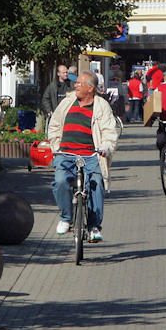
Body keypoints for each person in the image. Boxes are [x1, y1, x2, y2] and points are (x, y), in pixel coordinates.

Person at [47, 72, 119, 242]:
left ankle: (94, 226)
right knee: (60, 181)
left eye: (80, 83)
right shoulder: (67, 102)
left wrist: (106, 148)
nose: (76, 86)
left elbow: (109, 130)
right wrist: (55, 146)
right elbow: (55, 125)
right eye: (76, 83)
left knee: (96, 185)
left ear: (91, 88)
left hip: (91, 155)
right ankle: (66, 218)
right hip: (66, 153)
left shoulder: (101, 106)